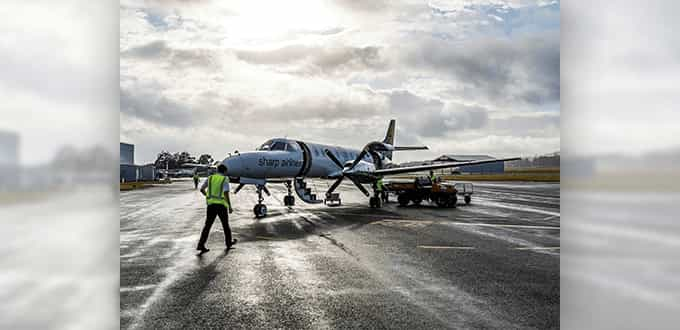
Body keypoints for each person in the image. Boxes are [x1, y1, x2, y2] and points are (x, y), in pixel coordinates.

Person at [197, 164, 236, 255]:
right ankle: (228, 243)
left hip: (211, 205)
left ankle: (201, 245)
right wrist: (229, 206)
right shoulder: (224, 179)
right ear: (225, 171)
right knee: (225, 225)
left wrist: (208, 196)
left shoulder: (210, 178)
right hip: (221, 206)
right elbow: (226, 193)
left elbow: (202, 189)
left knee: (207, 226)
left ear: (217, 170)